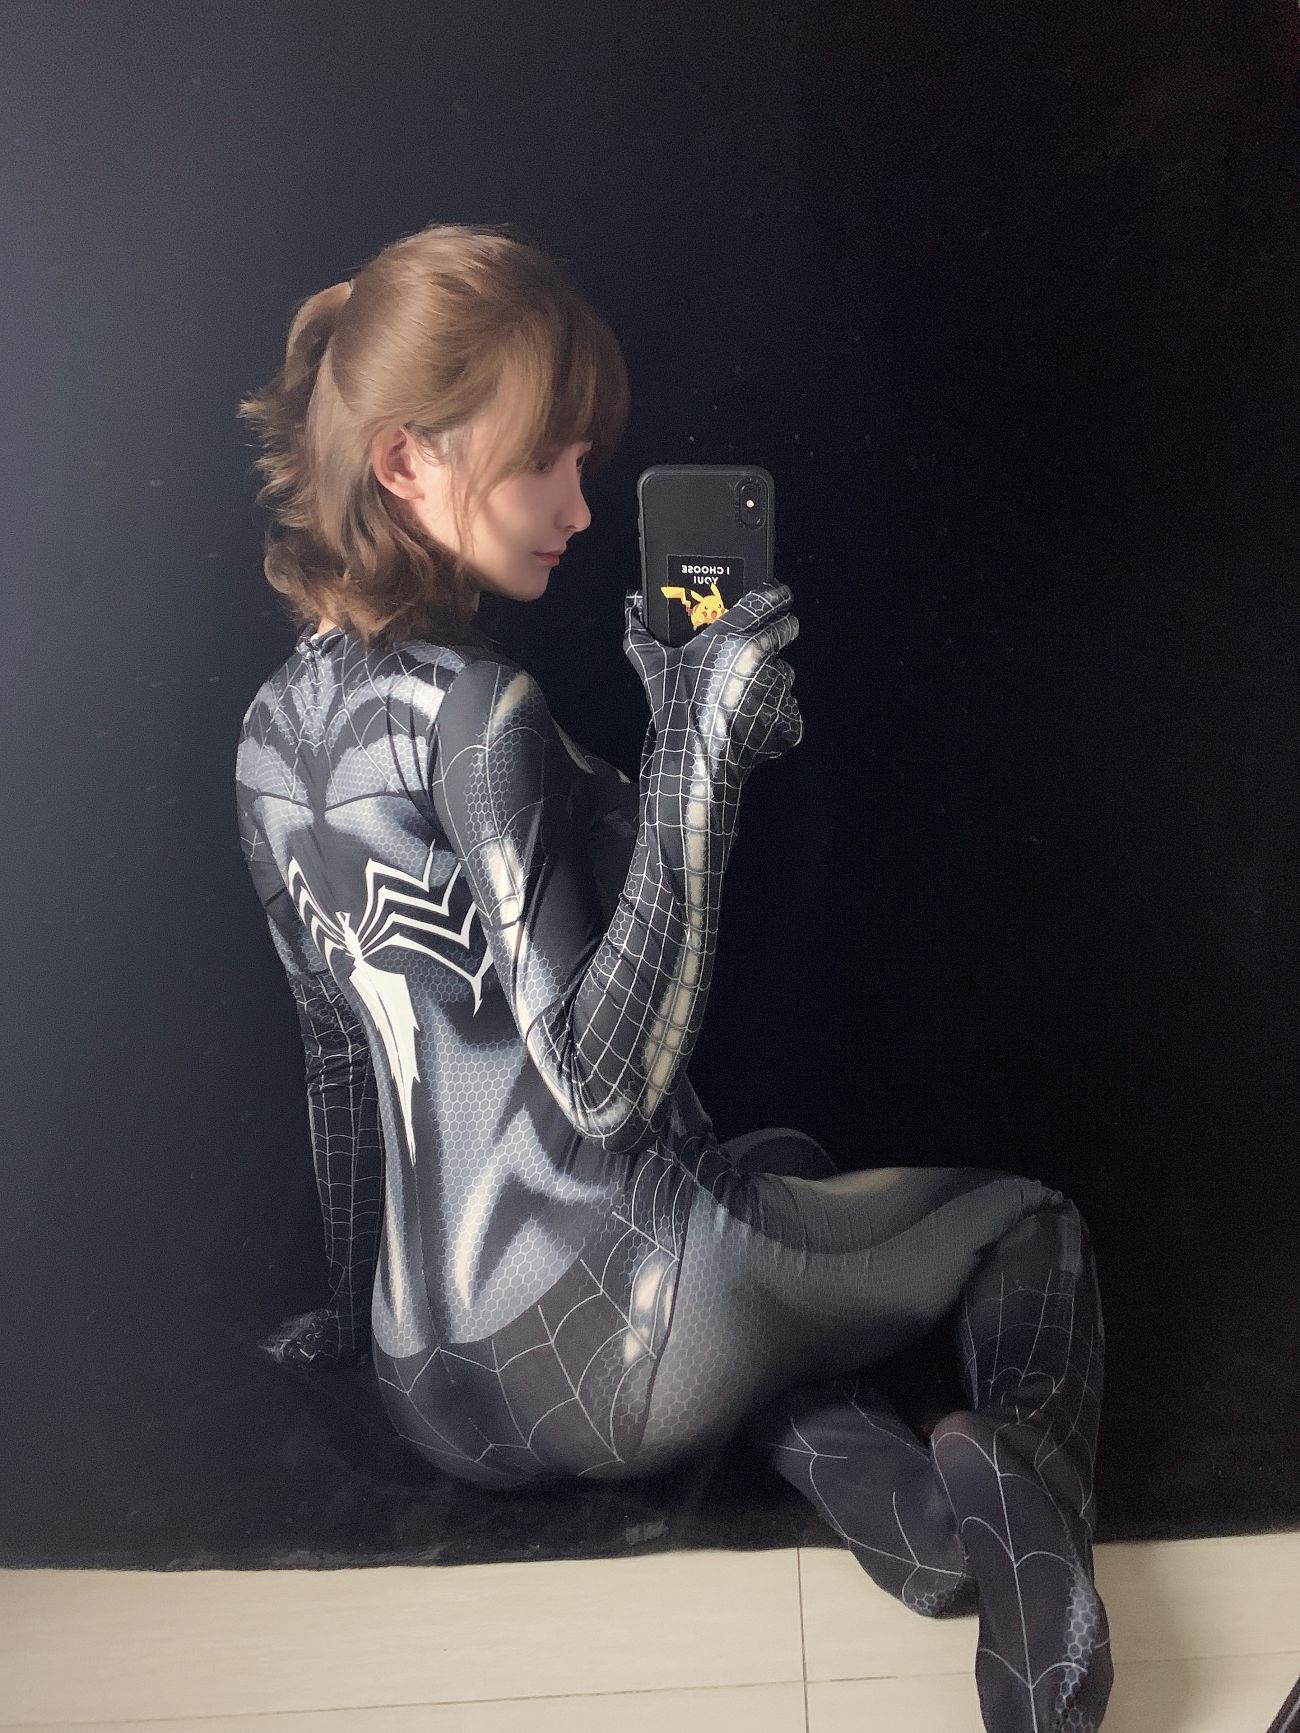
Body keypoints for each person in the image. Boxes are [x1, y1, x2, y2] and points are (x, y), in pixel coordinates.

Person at [235, 220, 1112, 1732]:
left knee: (782, 1166)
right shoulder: (481, 709)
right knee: (1030, 1223)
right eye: (546, 462)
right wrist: (699, 760)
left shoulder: (266, 738)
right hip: (623, 1338)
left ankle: (904, 1508)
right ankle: (1036, 1542)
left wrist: (336, 1309)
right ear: (405, 462)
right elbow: (601, 1088)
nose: (581, 506)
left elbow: (338, 1060)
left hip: (429, 1390)